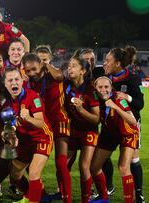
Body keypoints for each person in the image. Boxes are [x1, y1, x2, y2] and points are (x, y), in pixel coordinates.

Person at [22, 53, 71, 203]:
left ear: (41, 65)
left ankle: (66, 198)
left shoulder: (52, 75)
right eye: (28, 70)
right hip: (42, 125)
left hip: (59, 120)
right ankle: (41, 194)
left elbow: (60, 77)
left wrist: (46, 64)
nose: (31, 73)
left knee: (61, 163)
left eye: (34, 69)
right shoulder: (29, 82)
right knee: (30, 162)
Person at [0, 67, 53, 203]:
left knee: (34, 173)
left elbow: (41, 123)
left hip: (42, 138)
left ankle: (33, 200)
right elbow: (11, 126)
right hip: (25, 142)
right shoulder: (7, 103)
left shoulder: (33, 97)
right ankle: (35, 195)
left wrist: (28, 117)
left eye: (17, 79)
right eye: (10, 80)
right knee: (15, 175)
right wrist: (7, 134)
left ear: (22, 81)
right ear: (5, 84)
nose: (14, 83)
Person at [103, 47, 145, 203]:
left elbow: (140, 104)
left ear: (118, 63)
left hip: (130, 125)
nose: (105, 63)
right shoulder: (105, 76)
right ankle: (109, 187)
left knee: (132, 160)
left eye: (108, 60)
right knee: (100, 156)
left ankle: (139, 194)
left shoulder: (133, 78)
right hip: (110, 125)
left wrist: (126, 96)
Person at [90, 76, 138, 203]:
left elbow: (132, 121)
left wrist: (115, 107)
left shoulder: (118, 98)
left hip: (127, 134)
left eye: (106, 87)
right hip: (109, 134)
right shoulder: (94, 98)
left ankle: (129, 201)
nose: (103, 90)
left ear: (111, 88)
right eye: (100, 87)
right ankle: (104, 197)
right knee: (94, 167)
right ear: (95, 88)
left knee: (123, 167)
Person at [65, 56, 100, 203]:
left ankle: (86, 199)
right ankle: (64, 195)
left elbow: (96, 119)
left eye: (74, 66)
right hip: (72, 130)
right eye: (69, 65)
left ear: (83, 71)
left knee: (84, 165)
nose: (69, 68)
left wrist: (81, 110)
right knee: (63, 164)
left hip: (88, 131)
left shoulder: (91, 89)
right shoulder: (66, 85)